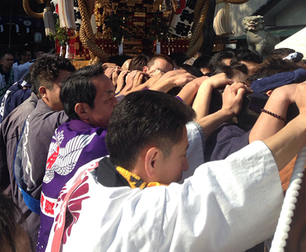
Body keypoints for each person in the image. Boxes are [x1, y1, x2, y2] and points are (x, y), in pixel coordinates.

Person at [44, 84, 306, 252]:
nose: (187, 163)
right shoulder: (143, 222)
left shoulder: (90, 172)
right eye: (182, 155)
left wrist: (225, 112)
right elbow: (229, 187)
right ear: (152, 160)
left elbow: (188, 135)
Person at [37, 64, 117, 251]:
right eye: (109, 98)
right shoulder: (97, 144)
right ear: (82, 110)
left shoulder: (64, 129)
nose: (117, 103)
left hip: (48, 237)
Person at [0, 54, 75, 250]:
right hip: (30, 216)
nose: (72, 91)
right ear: (44, 91)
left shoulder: (39, 112)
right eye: (66, 85)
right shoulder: (29, 117)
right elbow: (16, 175)